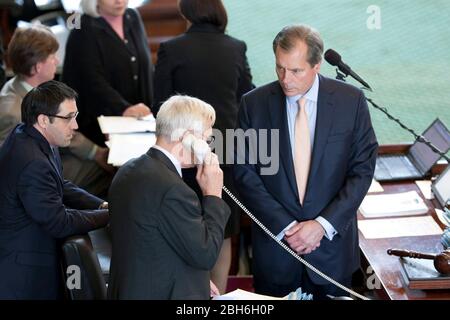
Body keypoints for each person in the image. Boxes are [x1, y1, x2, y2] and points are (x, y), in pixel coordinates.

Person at [233, 24, 378, 299]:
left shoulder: (351, 101)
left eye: (296, 70)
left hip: (331, 254)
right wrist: (287, 228)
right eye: (280, 68)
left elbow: (362, 170)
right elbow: (244, 172)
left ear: (317, 65)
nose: (285, 79)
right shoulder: (254, 104)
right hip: (276, 253)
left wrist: (322, 225)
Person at [153, 0, 254, 293]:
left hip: (181, 152)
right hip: (225, 152)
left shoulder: (172, 48)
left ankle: (192, 295)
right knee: (222, 231)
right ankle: (218, 296)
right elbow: (245, 99)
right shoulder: (236, 47)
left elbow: (159, 106)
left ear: (186, 13)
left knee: (185, 230)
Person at [107, 95, 230, 300]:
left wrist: (195, 278)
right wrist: (213, 195)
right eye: (207, 140)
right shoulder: (173, 190)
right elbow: (206, 255)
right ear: (187, 138)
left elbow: (151, 242)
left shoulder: (128, 170)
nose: (208, 148)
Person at [0, 80, 110, 299]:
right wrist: (109, 216)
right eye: (68, 117)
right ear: (43, 120)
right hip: (26, 275)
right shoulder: (32, 162)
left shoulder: (32, 136)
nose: (75, 126)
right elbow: (60, 223)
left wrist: (101, 204)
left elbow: (61, 185)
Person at [0, 25, 113, 197]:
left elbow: (61, 126)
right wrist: (96, 154)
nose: (57, 62)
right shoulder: (12, 112)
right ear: (37, 67)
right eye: (52, 57)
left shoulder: (22, 85)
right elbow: (10, 170)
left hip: (52, 155)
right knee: (109, 170)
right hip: (38, 178)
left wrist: (95, 151)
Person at [63, 0, 154, 146]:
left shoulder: (132, 16)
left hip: (140, 120)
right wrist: (123, 108)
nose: (119, 1)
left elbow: (146, 67)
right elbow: (91, 81)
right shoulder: (81, 27)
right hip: (101, 125)